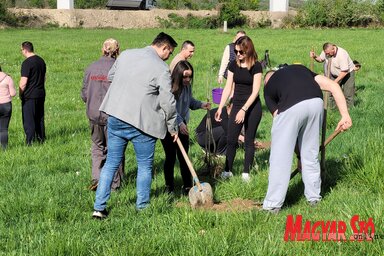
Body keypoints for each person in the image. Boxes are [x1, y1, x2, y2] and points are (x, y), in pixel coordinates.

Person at [92, 32, 178, 218]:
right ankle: (142, 207)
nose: (168, 57)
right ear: (164, 48)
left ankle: (99, 208)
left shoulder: (127, 54)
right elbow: (168, 101)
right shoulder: (161, 68)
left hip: (116, 115)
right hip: (143, 124)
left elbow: (111, 76)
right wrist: (173, 126)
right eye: (169, 53)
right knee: (145, 166)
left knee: (111, 163)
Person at [262, 64, 352, 213]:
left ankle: (272, 205)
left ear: (267, 81)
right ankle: (314, 198)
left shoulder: (268, 88)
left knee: (280, 157)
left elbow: (282, 126)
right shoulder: (302, 70)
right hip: (316, 103)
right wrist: (345, 115)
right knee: (310, 154)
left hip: (291, 107)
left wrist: (297, 153)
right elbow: (333, 87)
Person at [214, 35, 263, 182]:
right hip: (237, 104)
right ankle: (227, 170)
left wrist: (244, 109)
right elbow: (228, 87)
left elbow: (255, 91)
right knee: (231, 139)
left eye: (241, 52)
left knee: (249, 140)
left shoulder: (256, 66)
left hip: (252, 107)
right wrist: (220, 107)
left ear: (248, 50)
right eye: (236, 52)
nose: (238, 55)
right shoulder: (233, 65)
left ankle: (246, 173)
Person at [81, 38, 124, 191]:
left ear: (102, 49)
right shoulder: (119, 68)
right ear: (117, 50)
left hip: (93, 114)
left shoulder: (91, 67)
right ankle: (114, 184)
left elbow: (84, 94)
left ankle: (97, 179)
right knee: (115, 149)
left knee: (97, 147)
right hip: (112, 115)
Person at [161, 60, 210, 195]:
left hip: (182, 126)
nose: (188, 79)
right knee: (170, 157)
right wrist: (180, 122)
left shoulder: (187, 87)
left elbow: (189, 102)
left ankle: (188, 186)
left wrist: (201, 104)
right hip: (169, 128)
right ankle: (169, 187)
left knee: (184, 157)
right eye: (185, 76)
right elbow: (169, 109)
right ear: (178, 75)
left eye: (190, 76)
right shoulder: (170, 88)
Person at [310, 43, 355, 108]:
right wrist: (314, 56)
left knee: (348, 93)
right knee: (331, 91)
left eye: (328, 53)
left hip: (347, 74)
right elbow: (320, 59)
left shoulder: (342, 54)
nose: (327, 55)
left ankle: (349, 109)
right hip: (334, 74)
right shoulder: (326, 52)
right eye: (326, 53)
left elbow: (344, 72)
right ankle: (333, 108)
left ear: (333, 49)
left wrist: (334, 82)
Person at [19, 41, 47, 145]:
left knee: (29, 119)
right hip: (40, 93)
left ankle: (29, 141)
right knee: (39, 117)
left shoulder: (27, 63)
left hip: (29, 95)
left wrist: (21, 93)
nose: (21, 52)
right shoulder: (41, 61)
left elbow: (23, 82)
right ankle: (41, 139)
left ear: (25, 50)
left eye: (21, 50)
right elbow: (44, 78)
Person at [0, 65, 16, 149]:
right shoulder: (8, 78)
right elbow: (13, 94)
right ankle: (4, 148)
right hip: (6, 105)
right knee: (3, 129)